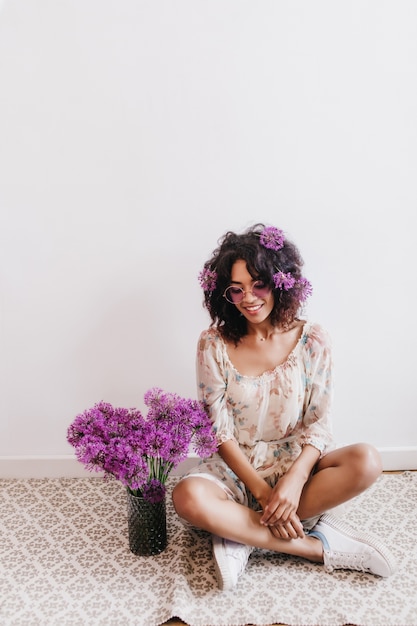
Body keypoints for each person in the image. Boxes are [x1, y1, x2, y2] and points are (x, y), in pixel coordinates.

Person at [172, 223, 397, 591]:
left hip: (296, 468)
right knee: (187, 497)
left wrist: (292, 483)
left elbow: (318, 424)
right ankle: (314, 546)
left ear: (280, 282)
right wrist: (262, 493)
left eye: (258, 284)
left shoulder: (313, 341)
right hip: (236, 471)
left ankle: (239, 534)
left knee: (367, 461)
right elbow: (219, 430)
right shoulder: (212, 343)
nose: (249, 298)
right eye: (236, 289)